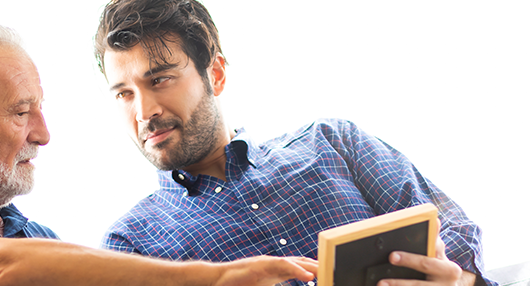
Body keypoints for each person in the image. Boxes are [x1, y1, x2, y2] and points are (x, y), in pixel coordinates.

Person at [0, 19, 319, 286]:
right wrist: (215, 277)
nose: (44, 134)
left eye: (41, 109)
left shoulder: (41, 241)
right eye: (21, 112)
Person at [93, 0, 495, 285]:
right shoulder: (128, 245)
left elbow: (454, 235)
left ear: (215, 74)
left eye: (160, 79)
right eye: (123, 93)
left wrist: (458, 281)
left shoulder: (334, 142)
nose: (144, 111)